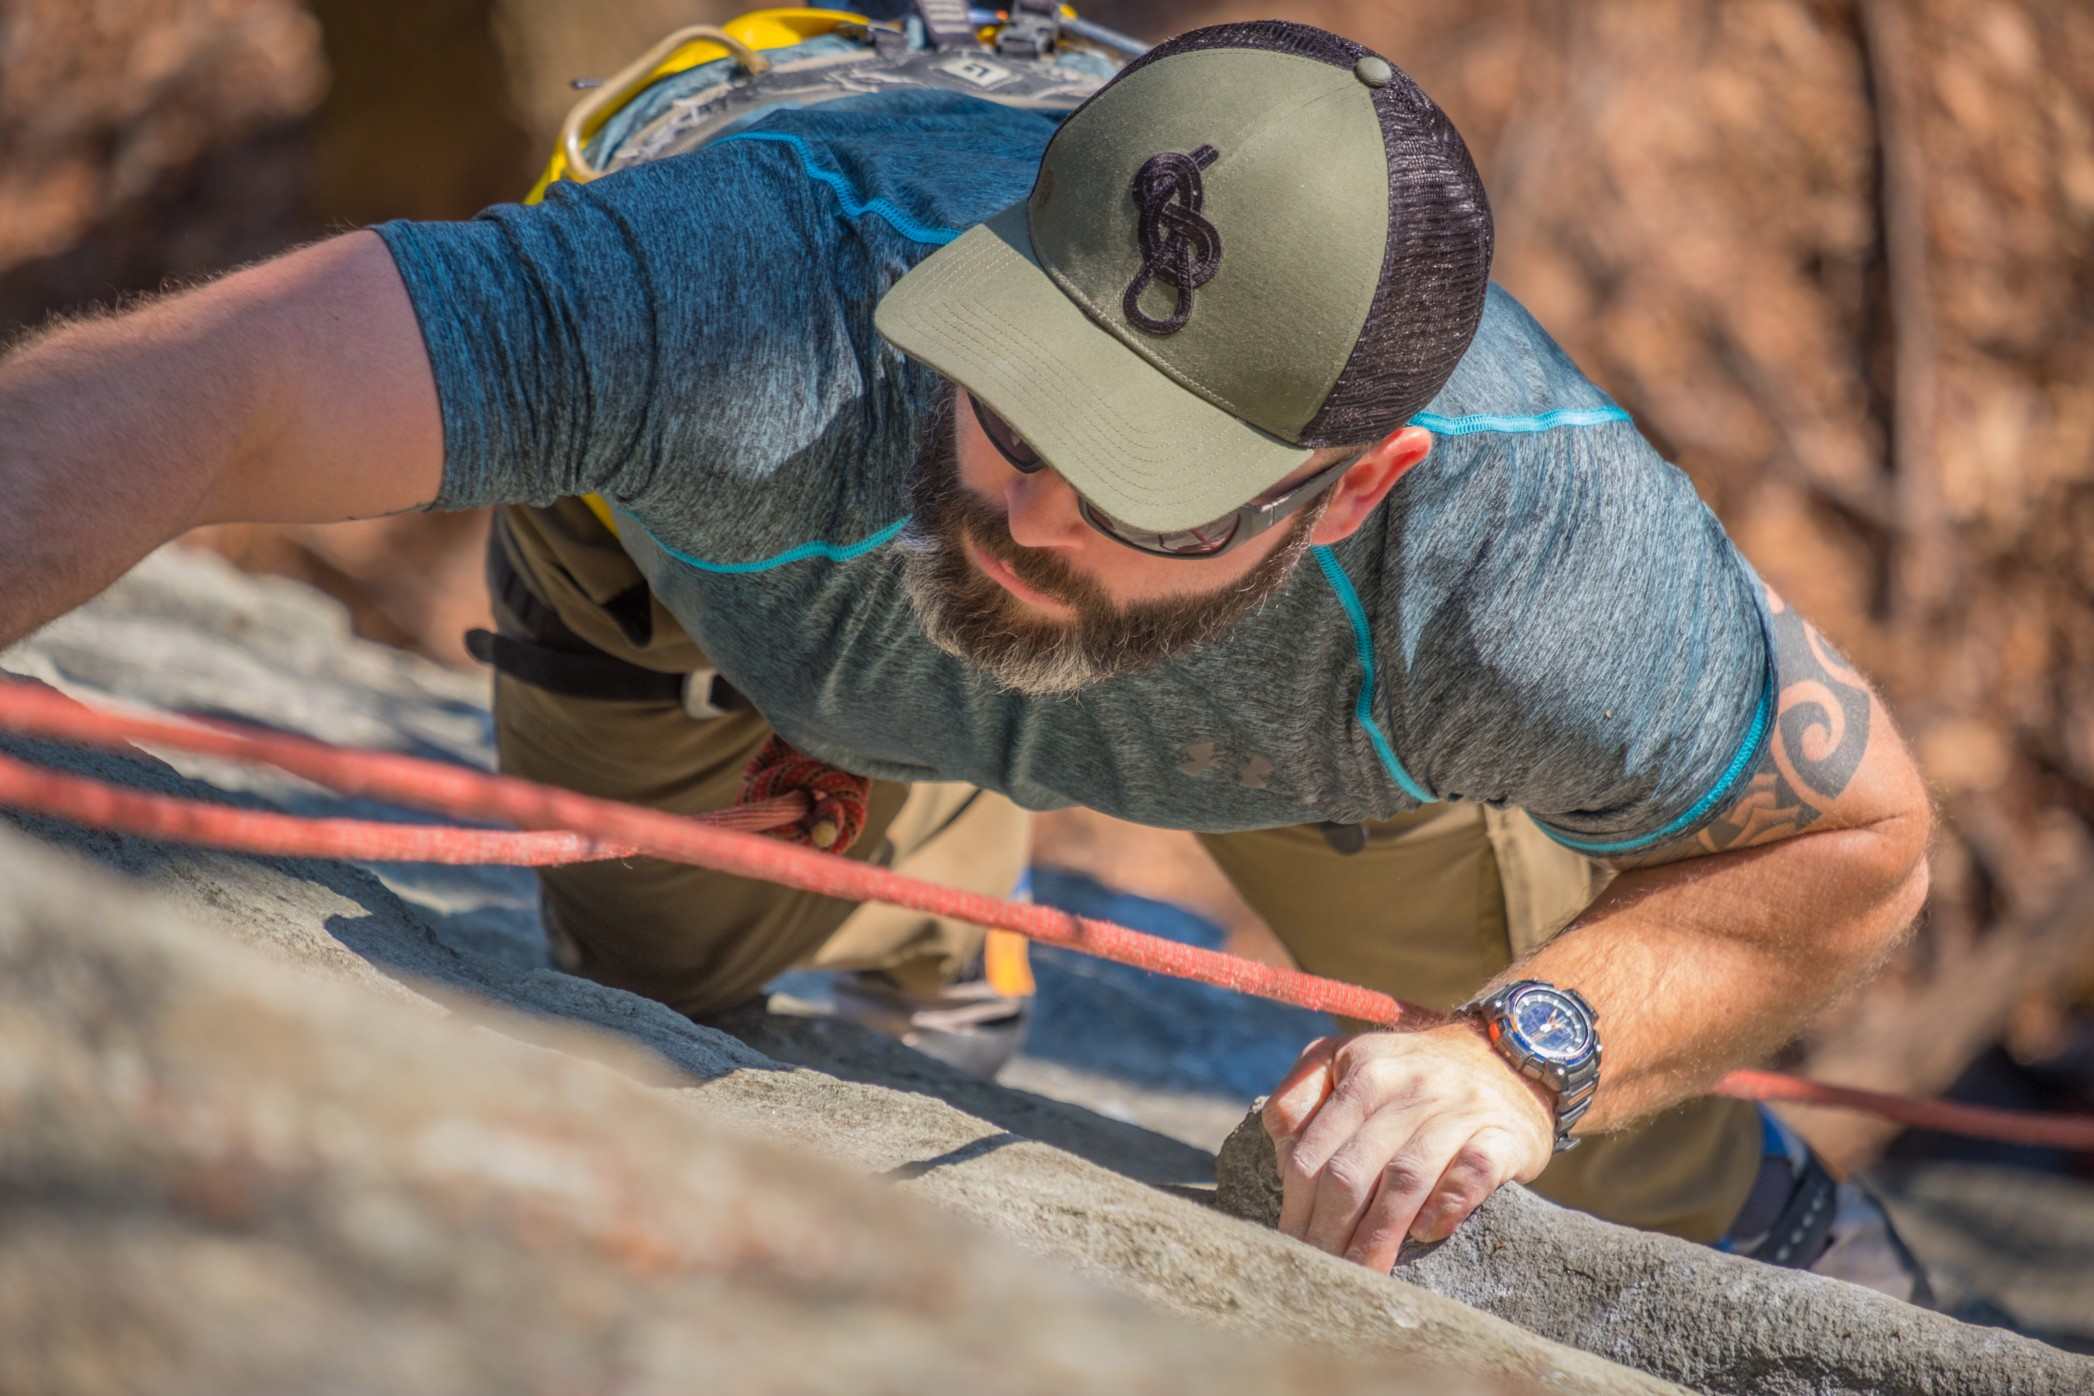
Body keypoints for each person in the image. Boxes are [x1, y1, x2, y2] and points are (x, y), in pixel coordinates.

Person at [0, 19, 1933, 1297]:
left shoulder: (1524, 566)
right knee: (654, 964)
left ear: (1362, 492)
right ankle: (922, 915)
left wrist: (1529, 1058)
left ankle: (1767, 1220)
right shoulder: (743, 293)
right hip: (741, 609)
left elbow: (1851, 842)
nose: (1035, 515)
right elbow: (224, 389)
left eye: (1154, 496)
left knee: (1513, 1145)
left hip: (1313, 738)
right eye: (1017, 409)